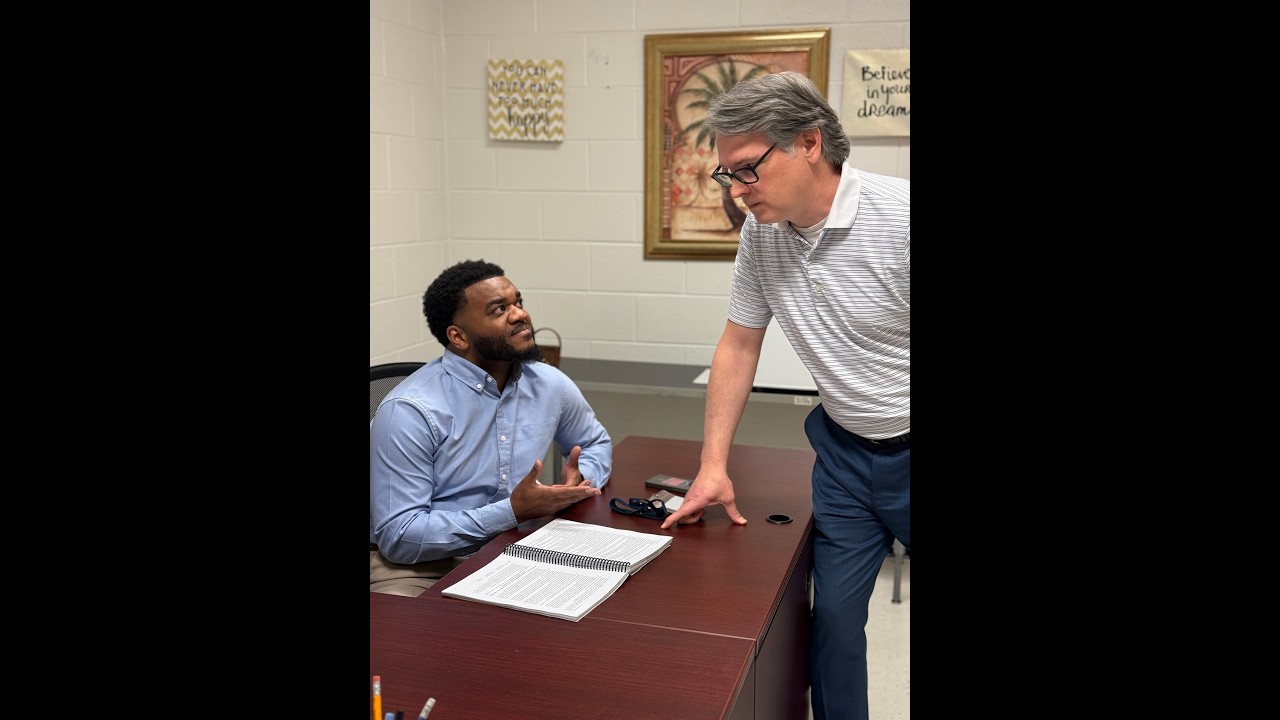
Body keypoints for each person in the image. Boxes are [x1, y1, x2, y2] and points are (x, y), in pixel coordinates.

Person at [659, 71, 909, 720]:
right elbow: (739, 344)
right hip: (846, 457)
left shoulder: (900, 217)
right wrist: (713, 465)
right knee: (832, 624)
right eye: (727, 175)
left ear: (809, 142)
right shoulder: (761, 235)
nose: (737, 191)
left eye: (748, 169)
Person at [370, 259, 612, 597]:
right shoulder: (410, 410)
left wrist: (579, 479)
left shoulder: (549, 383)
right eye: (499, 309)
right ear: (458, 336)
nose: (520, 315)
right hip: (423, 566)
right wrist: (512, 511)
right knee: (406, 627)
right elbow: (401, 537)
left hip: (517, 548)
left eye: (518, 302)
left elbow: (594, 442)